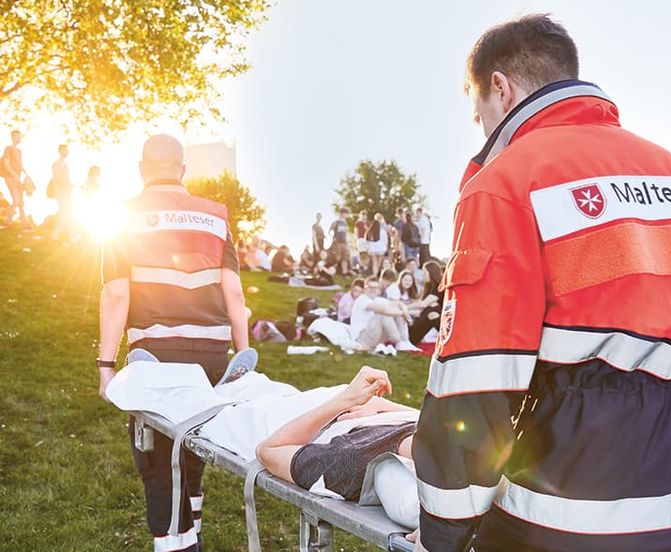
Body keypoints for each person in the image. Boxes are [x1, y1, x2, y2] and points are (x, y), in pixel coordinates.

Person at [412, 15, 671, 552]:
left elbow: (475, 383)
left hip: (571, 516)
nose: (483, 129)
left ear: (500, 87)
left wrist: (445, 530)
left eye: (480, 115)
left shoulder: (505, 184)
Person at [97, 134, 250, 552]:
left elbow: (115, 296)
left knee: (159, 466)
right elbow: (235, 295)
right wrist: (243, 357)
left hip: (156, 360)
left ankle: (178, 544)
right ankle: (193, 531)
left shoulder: (125, 216)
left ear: (142, 170)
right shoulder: (216, 216)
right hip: (213, 358)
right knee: (193, 448)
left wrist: (105, 366)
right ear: (182, 170)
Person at [257, 366, 416, 501]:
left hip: (299, 417)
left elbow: (268, 450)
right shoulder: (428, 430)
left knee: (259, 399)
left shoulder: (353, 457)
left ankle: (241, 383)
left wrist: (346, 399)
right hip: (359, 408)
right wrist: (385, 405)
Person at [350, 276, 418, 353]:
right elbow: (384, 310)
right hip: (361, 339)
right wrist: (405, 313)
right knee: (383, 314)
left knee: (396, 310)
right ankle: (399, 341)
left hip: (373, 335)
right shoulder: (362, 299)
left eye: (375, 288)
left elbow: (397, 303)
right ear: (365, 289)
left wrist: (403, 308)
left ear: (379, 290)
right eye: (370, 287)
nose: (373, 290)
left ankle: (405, 340)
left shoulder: (377, 299)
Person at [407, 261, 443, 345]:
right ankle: (412, 334)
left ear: (431, 272)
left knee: (433, 309)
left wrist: (405, 307)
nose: (423, 275)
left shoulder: (439, 287)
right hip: (429, 319)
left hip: (441, 319)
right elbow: (421, 307)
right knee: (431, 309)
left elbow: (423, 304)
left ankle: (413, 336)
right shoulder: (428, 287)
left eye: (424, 272)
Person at [2, 130, 29, 227]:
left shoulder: (19, 151)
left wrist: (26, 175)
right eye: (18, 136)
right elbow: (6, 163)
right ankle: (8, 221)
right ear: (13, 137)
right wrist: (14, 175)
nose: (19, 138)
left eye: (20, 136)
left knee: (21, 202)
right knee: (16, 200)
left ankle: (24, 224)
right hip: (10, 178)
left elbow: (20, 166)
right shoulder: (8, 149)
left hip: (18, 178)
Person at [50, 144, 73, 242]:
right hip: (60, 191)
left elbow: (66, 179)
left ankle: (58, 235)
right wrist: (66, 185)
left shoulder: (66, 165)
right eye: (65, 150)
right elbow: (57, 178)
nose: (67, 152)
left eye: (67, 150)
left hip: (66, 191)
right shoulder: (56, 164)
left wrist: (70, 185)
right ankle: (58, 235)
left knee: (65, 212)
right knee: (64, 211)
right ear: (60, 151)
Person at [329, 208, 351, 276]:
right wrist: (333, 238)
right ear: (342, 213)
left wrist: (348, 242)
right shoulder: (336, 222)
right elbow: (330, 231)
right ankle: (331, 270)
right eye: (346, 213)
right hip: (337, 242)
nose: (347, 215)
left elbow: (346, 233)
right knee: (337, 258)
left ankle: (345, 273)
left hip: (344, 243)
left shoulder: (345, 223)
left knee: (345, 258)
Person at [366, 212, 388, 277]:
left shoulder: (370, 230)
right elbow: (385, 240)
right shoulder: (382, 230)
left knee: (374, 263)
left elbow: (367, 240)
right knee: (379, 263)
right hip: (381, 248)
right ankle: (379, 274)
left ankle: (375, 275)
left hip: (372, 248)